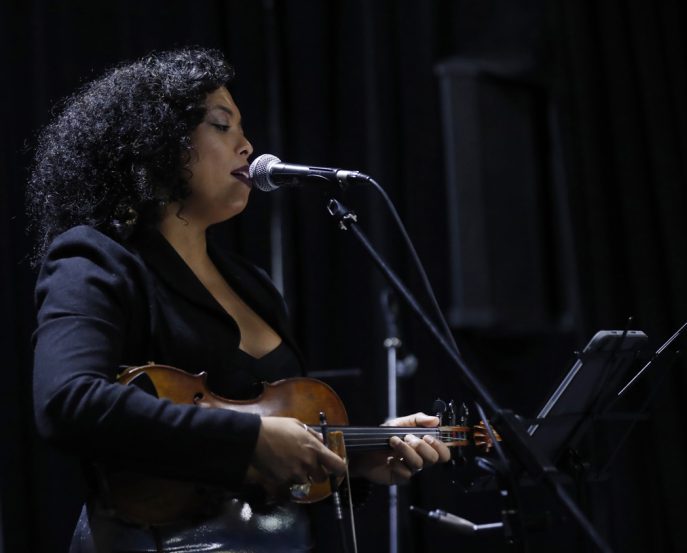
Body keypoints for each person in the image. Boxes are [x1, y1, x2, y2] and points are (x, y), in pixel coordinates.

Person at [27, 47, 450, 553]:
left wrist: (357, 456)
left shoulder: (252, 284)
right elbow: (67, 401)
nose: (247, 146)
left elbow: (266, 473)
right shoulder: (95, 259)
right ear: (159, 141)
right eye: (223, 126)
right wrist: (247, 439)